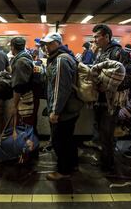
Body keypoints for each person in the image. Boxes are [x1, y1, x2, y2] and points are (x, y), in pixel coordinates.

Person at [91, 24, 131, 173]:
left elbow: (130, 77)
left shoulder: (118, 53)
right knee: (101, 133)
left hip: (112, 102)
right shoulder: (101, 52)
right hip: (101, 100)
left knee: (107, 134)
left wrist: (110, 86)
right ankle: (105, 160)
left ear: (107, 37)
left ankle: (109, 166)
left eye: (97, 36)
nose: (94, 40)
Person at [40, 33, 81, 181]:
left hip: (63, 110)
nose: (46, 47)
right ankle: (73, 164)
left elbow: (60, 88)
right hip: (70, 108)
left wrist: (55, 112)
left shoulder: (61, 60)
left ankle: (63, 171)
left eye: (49, 44)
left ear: (57, 43)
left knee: (59, 141)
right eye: (45, 44)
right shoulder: (65, 57)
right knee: (68, 139)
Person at [8, 37, 35, 129]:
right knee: (28, 124)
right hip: (29, 96)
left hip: (24, 99)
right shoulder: (26, 57)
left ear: (13, 47)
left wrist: (14, 106)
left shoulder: (20, 62)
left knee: (24, 126)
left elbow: (18, 86)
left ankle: (27, 143)